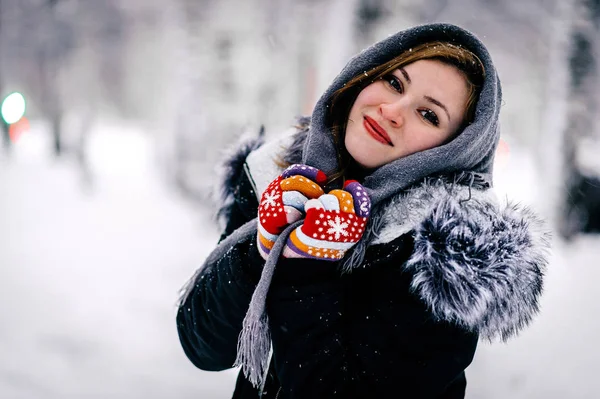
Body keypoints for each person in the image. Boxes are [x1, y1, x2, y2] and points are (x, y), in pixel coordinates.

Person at [176, 23, 550, 399]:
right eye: (394, 83)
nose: (392, 110)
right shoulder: (274, 173)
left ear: (453, 151)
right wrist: (258, 252)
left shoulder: (451, 258)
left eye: (429, 115)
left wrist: (305, 271)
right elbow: (205, 347)